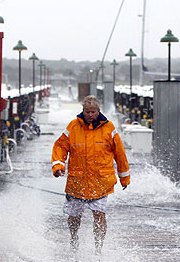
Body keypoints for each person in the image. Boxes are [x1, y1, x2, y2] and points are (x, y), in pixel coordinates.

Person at [52, 95, 130, 253]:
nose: (89, 115)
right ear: (83, 110)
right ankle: (74, 238)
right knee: (74, 215)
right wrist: (58, 165)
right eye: (87, 111)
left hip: (100, 181)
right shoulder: (73, 126)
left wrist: (124, 178)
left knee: (100, 215)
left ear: (98, 111)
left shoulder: (109, 128)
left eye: (93, 112)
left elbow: (120, 154)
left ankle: (98, 248)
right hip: (77, 181)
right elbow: (60, 147)